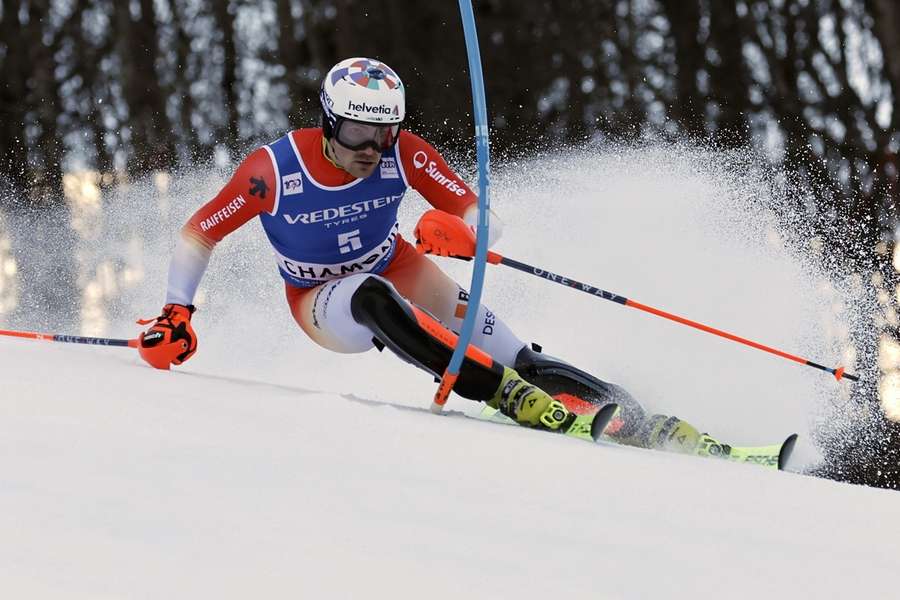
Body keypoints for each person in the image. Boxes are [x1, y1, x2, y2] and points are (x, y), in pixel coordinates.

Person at [138, 57, 722, 455]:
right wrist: (177, 312)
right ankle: (503, 396)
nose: (372, 150)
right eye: (357, 135)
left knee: (517, 352)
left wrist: (460, 233)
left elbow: (482, 218)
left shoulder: (403, 154)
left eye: (385, 134)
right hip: (321, 298)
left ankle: (638, 418)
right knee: (373, 297)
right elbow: (199, 233)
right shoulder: (274, 171)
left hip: (395, 261)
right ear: (327, 123)